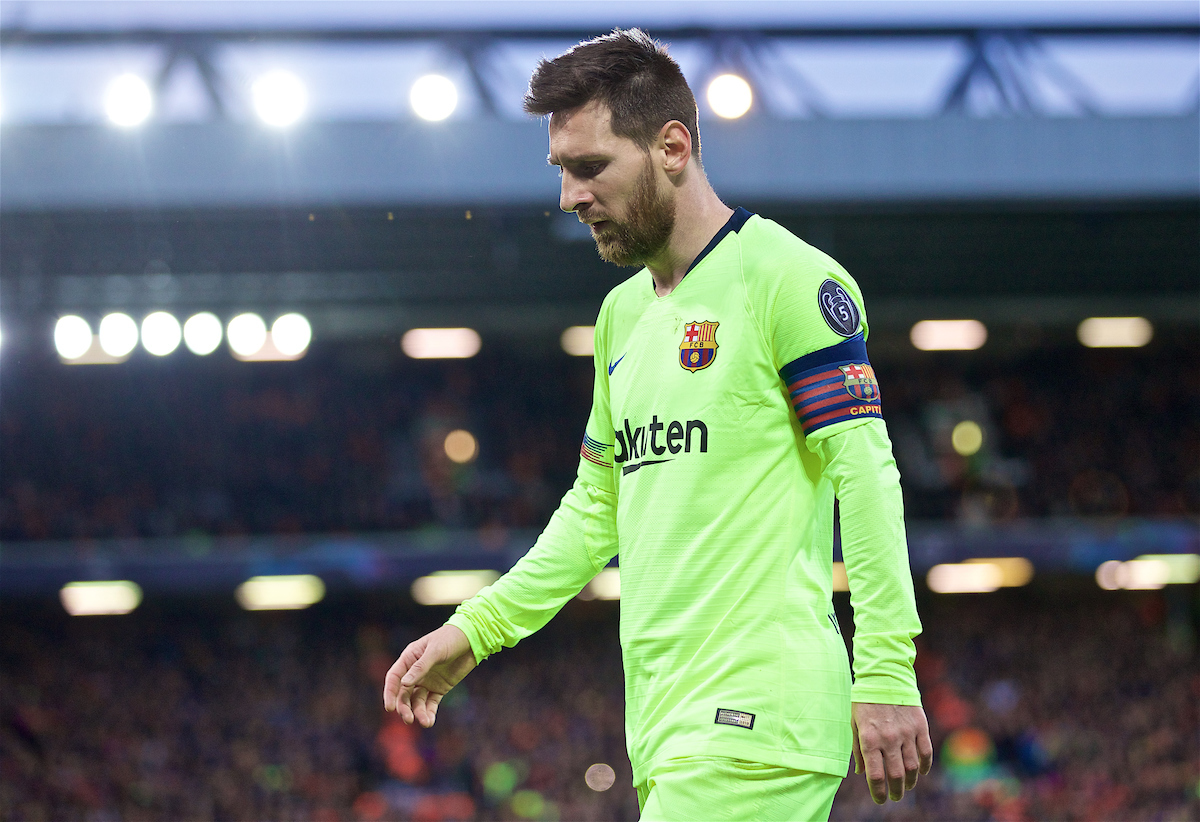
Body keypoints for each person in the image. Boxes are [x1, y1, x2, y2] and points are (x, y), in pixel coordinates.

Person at [385, 29, 933, 820]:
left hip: (755, 721)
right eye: (562, 172)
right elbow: (594, 508)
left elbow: (867, 474)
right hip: (665, 728)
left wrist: (884, 669)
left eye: (591, 167)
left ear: (672, 146)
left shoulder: (786, 277)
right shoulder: (621, 317)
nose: (571, 197)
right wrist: (476, 629)